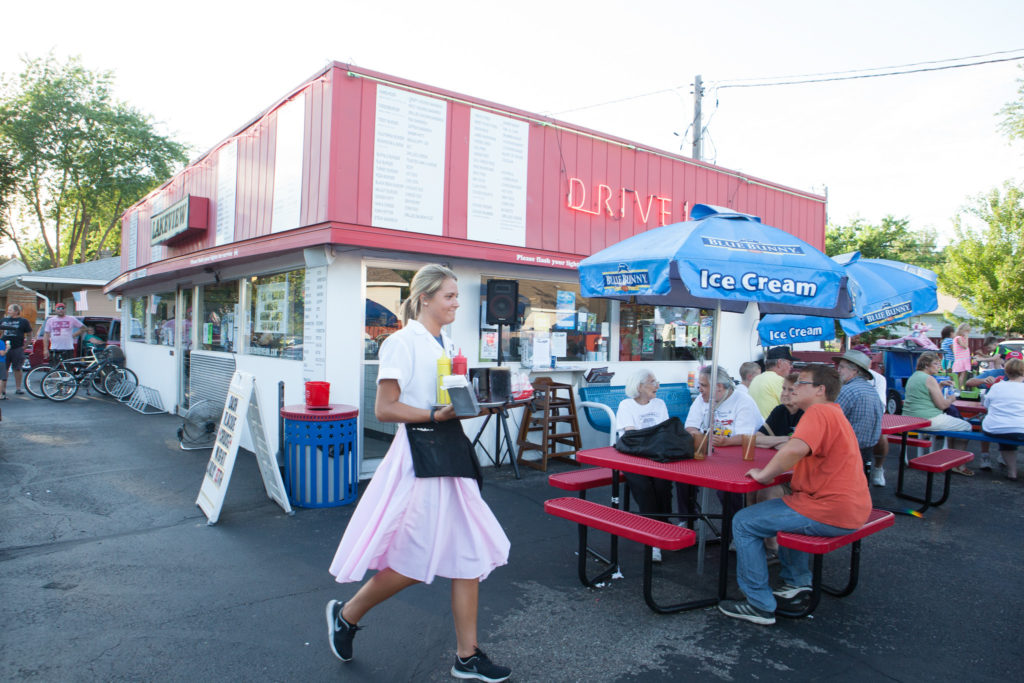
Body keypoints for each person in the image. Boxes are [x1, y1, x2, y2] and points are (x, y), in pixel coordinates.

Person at [324, 264, 511, 682]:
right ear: (424, 298)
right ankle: (347, 615)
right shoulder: (401, 342)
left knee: (469, 552)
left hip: (450, 452)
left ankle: (467, 656)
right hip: (420, 457)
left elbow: (449, 401)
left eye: (457, 296)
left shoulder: (447, 343)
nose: (457, 303)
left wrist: (482, 404)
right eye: (449, 296)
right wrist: (434, 414)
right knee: (412, 561)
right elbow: (384, 408)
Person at [718, 365, 872, 625]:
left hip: (829, 510)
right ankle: (797, 582)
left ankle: (758, 604)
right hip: (849, 507)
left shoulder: (818, 412)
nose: (794, 388)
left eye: (802, 383)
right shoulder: (833, 412)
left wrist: (765, 475)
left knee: (743, 521)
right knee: (784, 507)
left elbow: (794, 449)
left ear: (820, 390)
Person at [680, 365, 763, 519]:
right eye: (699, 385)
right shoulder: (701, 400)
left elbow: (747, 436)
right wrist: (699, 436)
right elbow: (690, 426)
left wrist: (726, 442)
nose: (699, 389)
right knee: (682, 477)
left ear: (718, 386)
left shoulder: (743, 401)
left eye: (703, 385)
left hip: (739, 457)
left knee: (726, 489)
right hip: (709, 453)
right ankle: (687, 520)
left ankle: (732, 528)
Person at [616, 368, 671, 562]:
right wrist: (653, 438)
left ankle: (663, 526)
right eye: (653, 382)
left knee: (663, 484)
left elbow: (665, 432)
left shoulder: (659, 404)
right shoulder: (626, 405)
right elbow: (631, 436)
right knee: (644, 487)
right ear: (639, 386)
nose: (657, 386)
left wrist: (652, 440)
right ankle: (653, 538)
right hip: (633, 456)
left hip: (656, 455)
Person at [902, 351, 974, 475]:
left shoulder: (914, 376)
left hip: (910, 418)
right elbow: (942, 405)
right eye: (935, 364)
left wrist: (939, 386)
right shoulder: (930, 379)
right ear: (926, 365)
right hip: (927, 419)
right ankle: (958, 465)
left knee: (955, 425)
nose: (938, 367)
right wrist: (951, 399)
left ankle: (951, 459)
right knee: (966, 426)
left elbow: (925, 395)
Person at [833, 350, 885, 486]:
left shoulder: (847, 391)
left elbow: (829, 422)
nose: (838, 370)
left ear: (854, 370)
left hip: (846, 452)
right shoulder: (872, 390)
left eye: (842, 367)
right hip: (866, 451)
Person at [981, 357, 1024, 481]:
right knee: (1013, 431)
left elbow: (986, 406)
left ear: (1006, 372)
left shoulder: (996, 387)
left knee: (1007, 435)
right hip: (1020, 428)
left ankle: (1012, 472)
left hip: (995, 428)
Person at [756, 373, 803, 449]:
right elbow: (756, 439)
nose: (785, 394)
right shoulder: (780, 410)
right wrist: (786, 439)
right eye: (784, 388)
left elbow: (798, 447)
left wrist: (770, 443)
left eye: (791, 390)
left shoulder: (807, 413)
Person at [748, 347, 795, 418]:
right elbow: (793, 408)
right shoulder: (779, 380)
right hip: (773, 424)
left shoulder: (756, 379)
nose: (792, 366)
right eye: (790, 363)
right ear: (779, 363)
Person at [1, 303, 34, 398]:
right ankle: (3, 390)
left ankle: (18, 388)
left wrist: (25, 346)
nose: (8, 311)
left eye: (10, 310)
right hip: (4, 348)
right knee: (4, 368)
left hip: (17, 348)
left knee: (17, 368)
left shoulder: (23, 321)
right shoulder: (3, 320)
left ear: (16, 311)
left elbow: (29, 334)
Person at [951, 323, 972, 388]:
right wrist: (967, 337)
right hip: (961, 359)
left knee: (962, 374)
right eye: (966, 331)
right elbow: (965, 346)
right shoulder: (958, 338)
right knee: (961, 375)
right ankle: (959, 388)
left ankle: (959, 387)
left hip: (964, 358)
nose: (967, 333)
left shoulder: (961, 338)